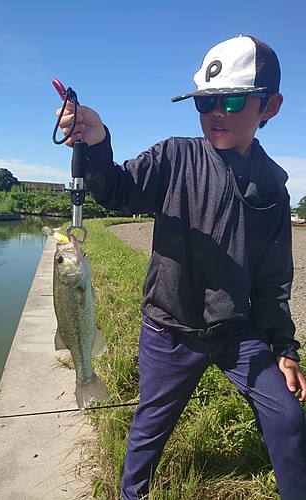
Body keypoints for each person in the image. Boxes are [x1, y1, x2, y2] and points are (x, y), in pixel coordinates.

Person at [57, 35, 306, 500]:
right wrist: (96, 143)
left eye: (231, 100)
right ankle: (134, 494)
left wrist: (284, 347)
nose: (215, 111)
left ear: (269, 106)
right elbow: (119, 190)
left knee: (289, 419)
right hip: (168, 330)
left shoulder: (274, 186)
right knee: (149, 429)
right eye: (205, 101)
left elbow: (275, 277)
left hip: (236, 331)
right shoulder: (175, 156)